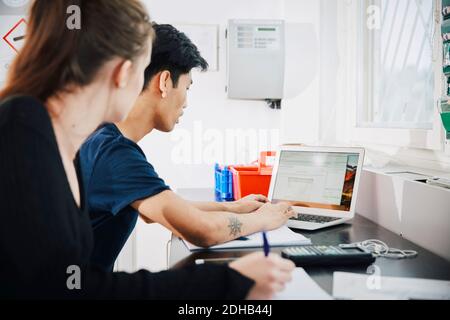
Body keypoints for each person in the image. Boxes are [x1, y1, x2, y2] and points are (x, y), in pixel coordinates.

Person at [0, 0, 294, 299]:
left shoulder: (67, 140)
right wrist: (230, 278)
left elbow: (154, 212)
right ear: (126, 73)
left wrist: (231, 208)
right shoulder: (27, 132)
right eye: (141, 72)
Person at [80, 23, 296, 272]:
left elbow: (157, 210)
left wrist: (231, 207)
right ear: (164, 82)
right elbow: (203, 231)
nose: (186, 103)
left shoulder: (100, 135)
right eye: (187, 87)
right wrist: (264, 218)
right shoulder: (115, 154)